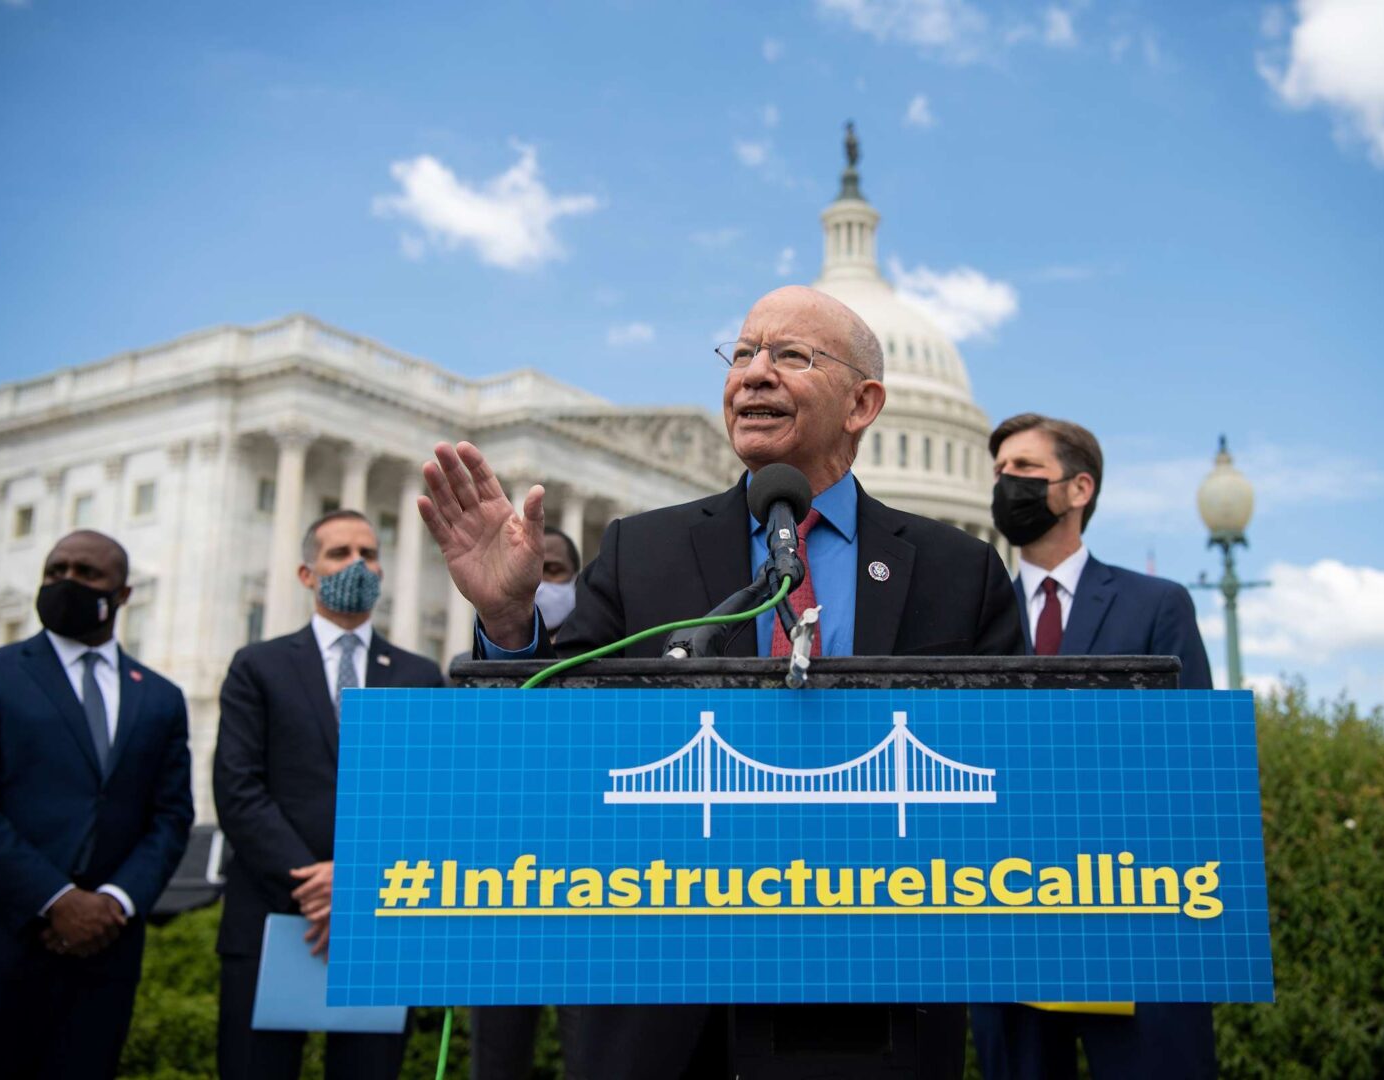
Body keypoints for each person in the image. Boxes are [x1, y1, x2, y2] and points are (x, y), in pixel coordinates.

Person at [418, 285, 1022, 1079]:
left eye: (791, 356)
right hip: (659, 1004)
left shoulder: (959, 571)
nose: (754, 374)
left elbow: (1012, 775)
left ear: (863, 402)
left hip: (872, 998)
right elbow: (555, 749)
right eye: (742, 354)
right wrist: (507, 623)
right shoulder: (642, 551)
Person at [970, 413, 1215, 1080]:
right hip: (1008, 922)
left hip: (1130, 925)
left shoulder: (1157, 605)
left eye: (1024, 470)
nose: (1005, 485)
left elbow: (1191, 760)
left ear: (1079, 490)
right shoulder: (971, 619)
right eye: (998, 473)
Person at [212, 509, 444, 1080]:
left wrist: (356, 877)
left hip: (379, 915)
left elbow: (430, 797)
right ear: (305, 573)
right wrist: (315, 882)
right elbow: (238, 788)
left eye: (369, 553)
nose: (358, 564)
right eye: (340, 553)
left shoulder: (419, 675)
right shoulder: (257, 666)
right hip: (272, 913)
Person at [0, 529, 194, 1079]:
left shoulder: (159, 697)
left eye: (87, 575)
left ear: (123, 595)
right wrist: (56, 899)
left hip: (104, 959)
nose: (67, 582)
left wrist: (114, 901)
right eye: (56, 570)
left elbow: (171, 816)